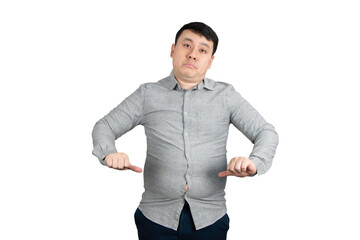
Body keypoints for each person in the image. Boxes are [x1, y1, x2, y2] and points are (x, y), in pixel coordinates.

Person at [92, 22, 279, 240]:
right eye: (186, 45)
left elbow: (266, 132)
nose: (192, 55)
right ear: (173, 50)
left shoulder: (226, 96)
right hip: (155, 218)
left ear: (210, 61)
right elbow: (104, 126)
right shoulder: (147, 94)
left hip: (210, 218)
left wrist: (254, 162)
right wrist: (109, 153)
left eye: (202, 50)